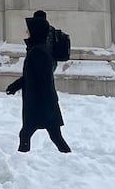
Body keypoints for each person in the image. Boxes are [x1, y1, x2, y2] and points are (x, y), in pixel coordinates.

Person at [5, 11, 71, 153]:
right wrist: (15, 86)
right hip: (41, 103)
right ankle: (66, 157)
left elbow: (43, 79)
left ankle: (22, 160)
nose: (26, 31)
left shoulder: (39, 52)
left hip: (40, 103)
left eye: (29, 29)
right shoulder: (37, 50)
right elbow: (32, 76)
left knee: (32, 134)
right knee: (50, 135)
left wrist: (47, 102)